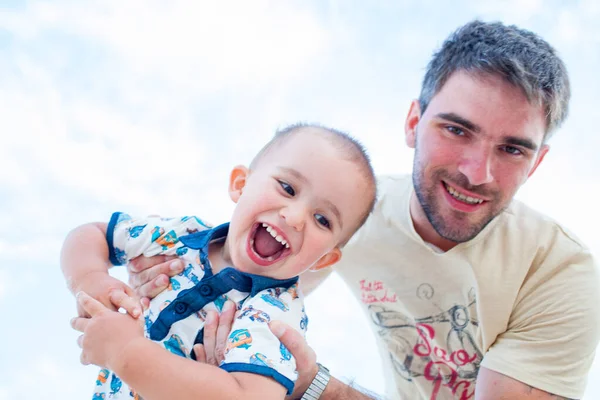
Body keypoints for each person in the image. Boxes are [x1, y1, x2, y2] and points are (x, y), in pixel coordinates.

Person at [123, 20, 600, 400]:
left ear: (536, 163)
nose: (477, 173)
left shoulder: (560, 274)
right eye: (456, 130)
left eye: (512, 150)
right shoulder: (348, 215)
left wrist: (314, 386)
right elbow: (243, 281)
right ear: (413, 122)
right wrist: (169, 274)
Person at [62, 123, 378, 400]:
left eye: (322, 219)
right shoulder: (181, 235)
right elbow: (91, 235)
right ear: (240, 184)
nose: (295, 217)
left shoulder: (275, 313)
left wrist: (126, 353)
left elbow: (251, 396)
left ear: (325, 259)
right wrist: (90, 278)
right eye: (287, 188)